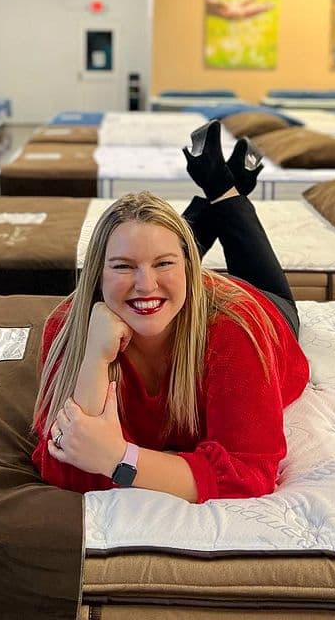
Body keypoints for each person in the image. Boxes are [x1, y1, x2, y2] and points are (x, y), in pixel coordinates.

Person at [31, 121, 308, 503]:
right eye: (122, 266)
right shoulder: (68, 325)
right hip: (190, 296)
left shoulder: (235, 329)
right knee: (153, 249)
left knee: (254, 280)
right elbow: (62, 467)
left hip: (268, 310)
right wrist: (95, 356)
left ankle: (225, 188)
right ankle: (224, 185)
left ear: (191, 270)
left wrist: (118, 459)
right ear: (97, 273)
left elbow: (248, 475)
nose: (144, 285)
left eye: (165, 265)